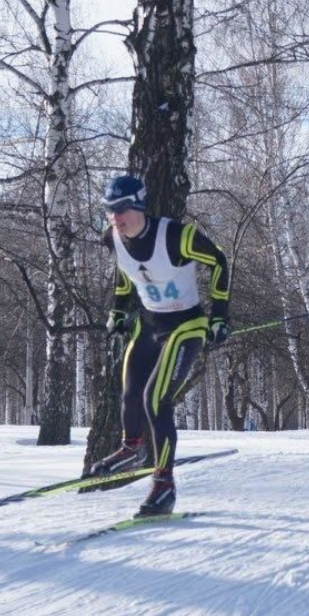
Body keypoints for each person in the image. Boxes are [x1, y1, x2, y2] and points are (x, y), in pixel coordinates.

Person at [90, 174, 231, 517]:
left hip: (187, 324)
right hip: (150, 323)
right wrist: (119, 311)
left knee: (155, 398)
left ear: (139, 205)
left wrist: (219, 316)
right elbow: (126, 272)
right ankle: (131, 447)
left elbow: (219, 262)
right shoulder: (113, 239)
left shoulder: (176, 236)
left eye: (121, 210)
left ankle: (164, 485)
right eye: (110, 211)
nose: (115, 218)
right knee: (129, 391)